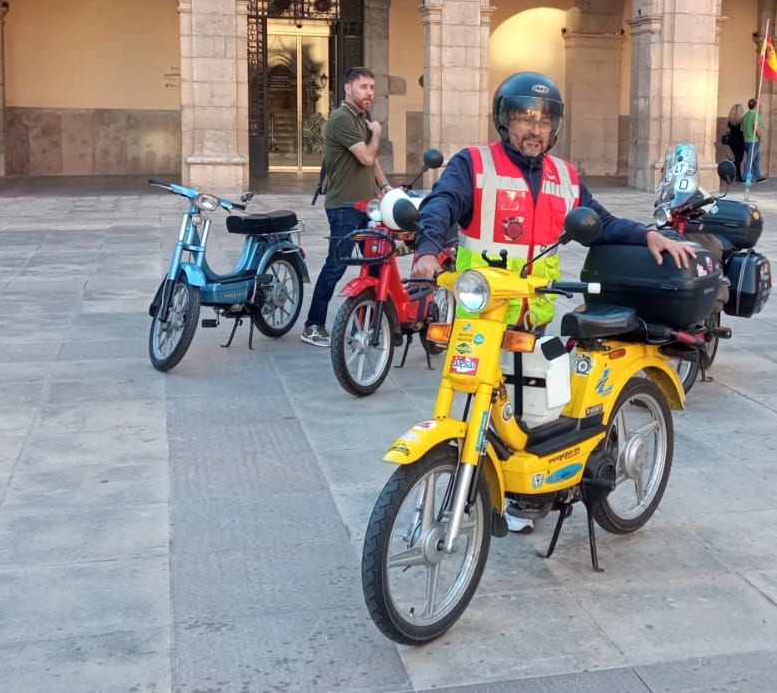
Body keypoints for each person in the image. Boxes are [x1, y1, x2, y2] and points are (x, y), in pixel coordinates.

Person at [410, 72, 698, 532]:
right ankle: (481, 478)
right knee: (475, 402)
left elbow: (598, 222)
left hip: (533, 317)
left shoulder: (564, 176)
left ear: (555, 127)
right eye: (523, 117)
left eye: (543, 121)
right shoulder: (474, 164)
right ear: (503, 121)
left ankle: (531, 496)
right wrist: (427, 252)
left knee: (529, 409)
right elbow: (441, 203)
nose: (534, 129)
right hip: (481, 314)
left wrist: (647, 234)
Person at [301, 67, 390, 347]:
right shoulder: (341, 119)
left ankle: (367, 324)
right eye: (363, 86)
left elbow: (373, 161)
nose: (370, 92)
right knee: (336, 266)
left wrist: (385, 187)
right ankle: (313, 325)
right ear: (348, 89)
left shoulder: (362, 118)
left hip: (367, 206)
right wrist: (376, 134)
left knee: (375, 265)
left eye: (372, 87)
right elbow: (366, 156)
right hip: (344, 207)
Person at [741, 98, 767, 183]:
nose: (761, 108)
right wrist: (761, 137)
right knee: (750, 160)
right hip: (754, 141)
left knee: (756, 159)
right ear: (756, 106)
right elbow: (756, 128)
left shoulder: (744, 116)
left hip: (746, 141)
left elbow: (742, 129)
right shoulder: (755, 115)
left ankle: (758, 177)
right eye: (760, 106)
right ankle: (745, 178)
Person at [726, 101, 748, 168]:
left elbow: (729, 130)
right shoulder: (741, 121)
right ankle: (737, 174)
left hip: (731, 141)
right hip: (740, 141)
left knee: (735, 158)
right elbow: (743, 131)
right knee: (739, 159)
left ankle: (736, 174)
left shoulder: (730, 121)